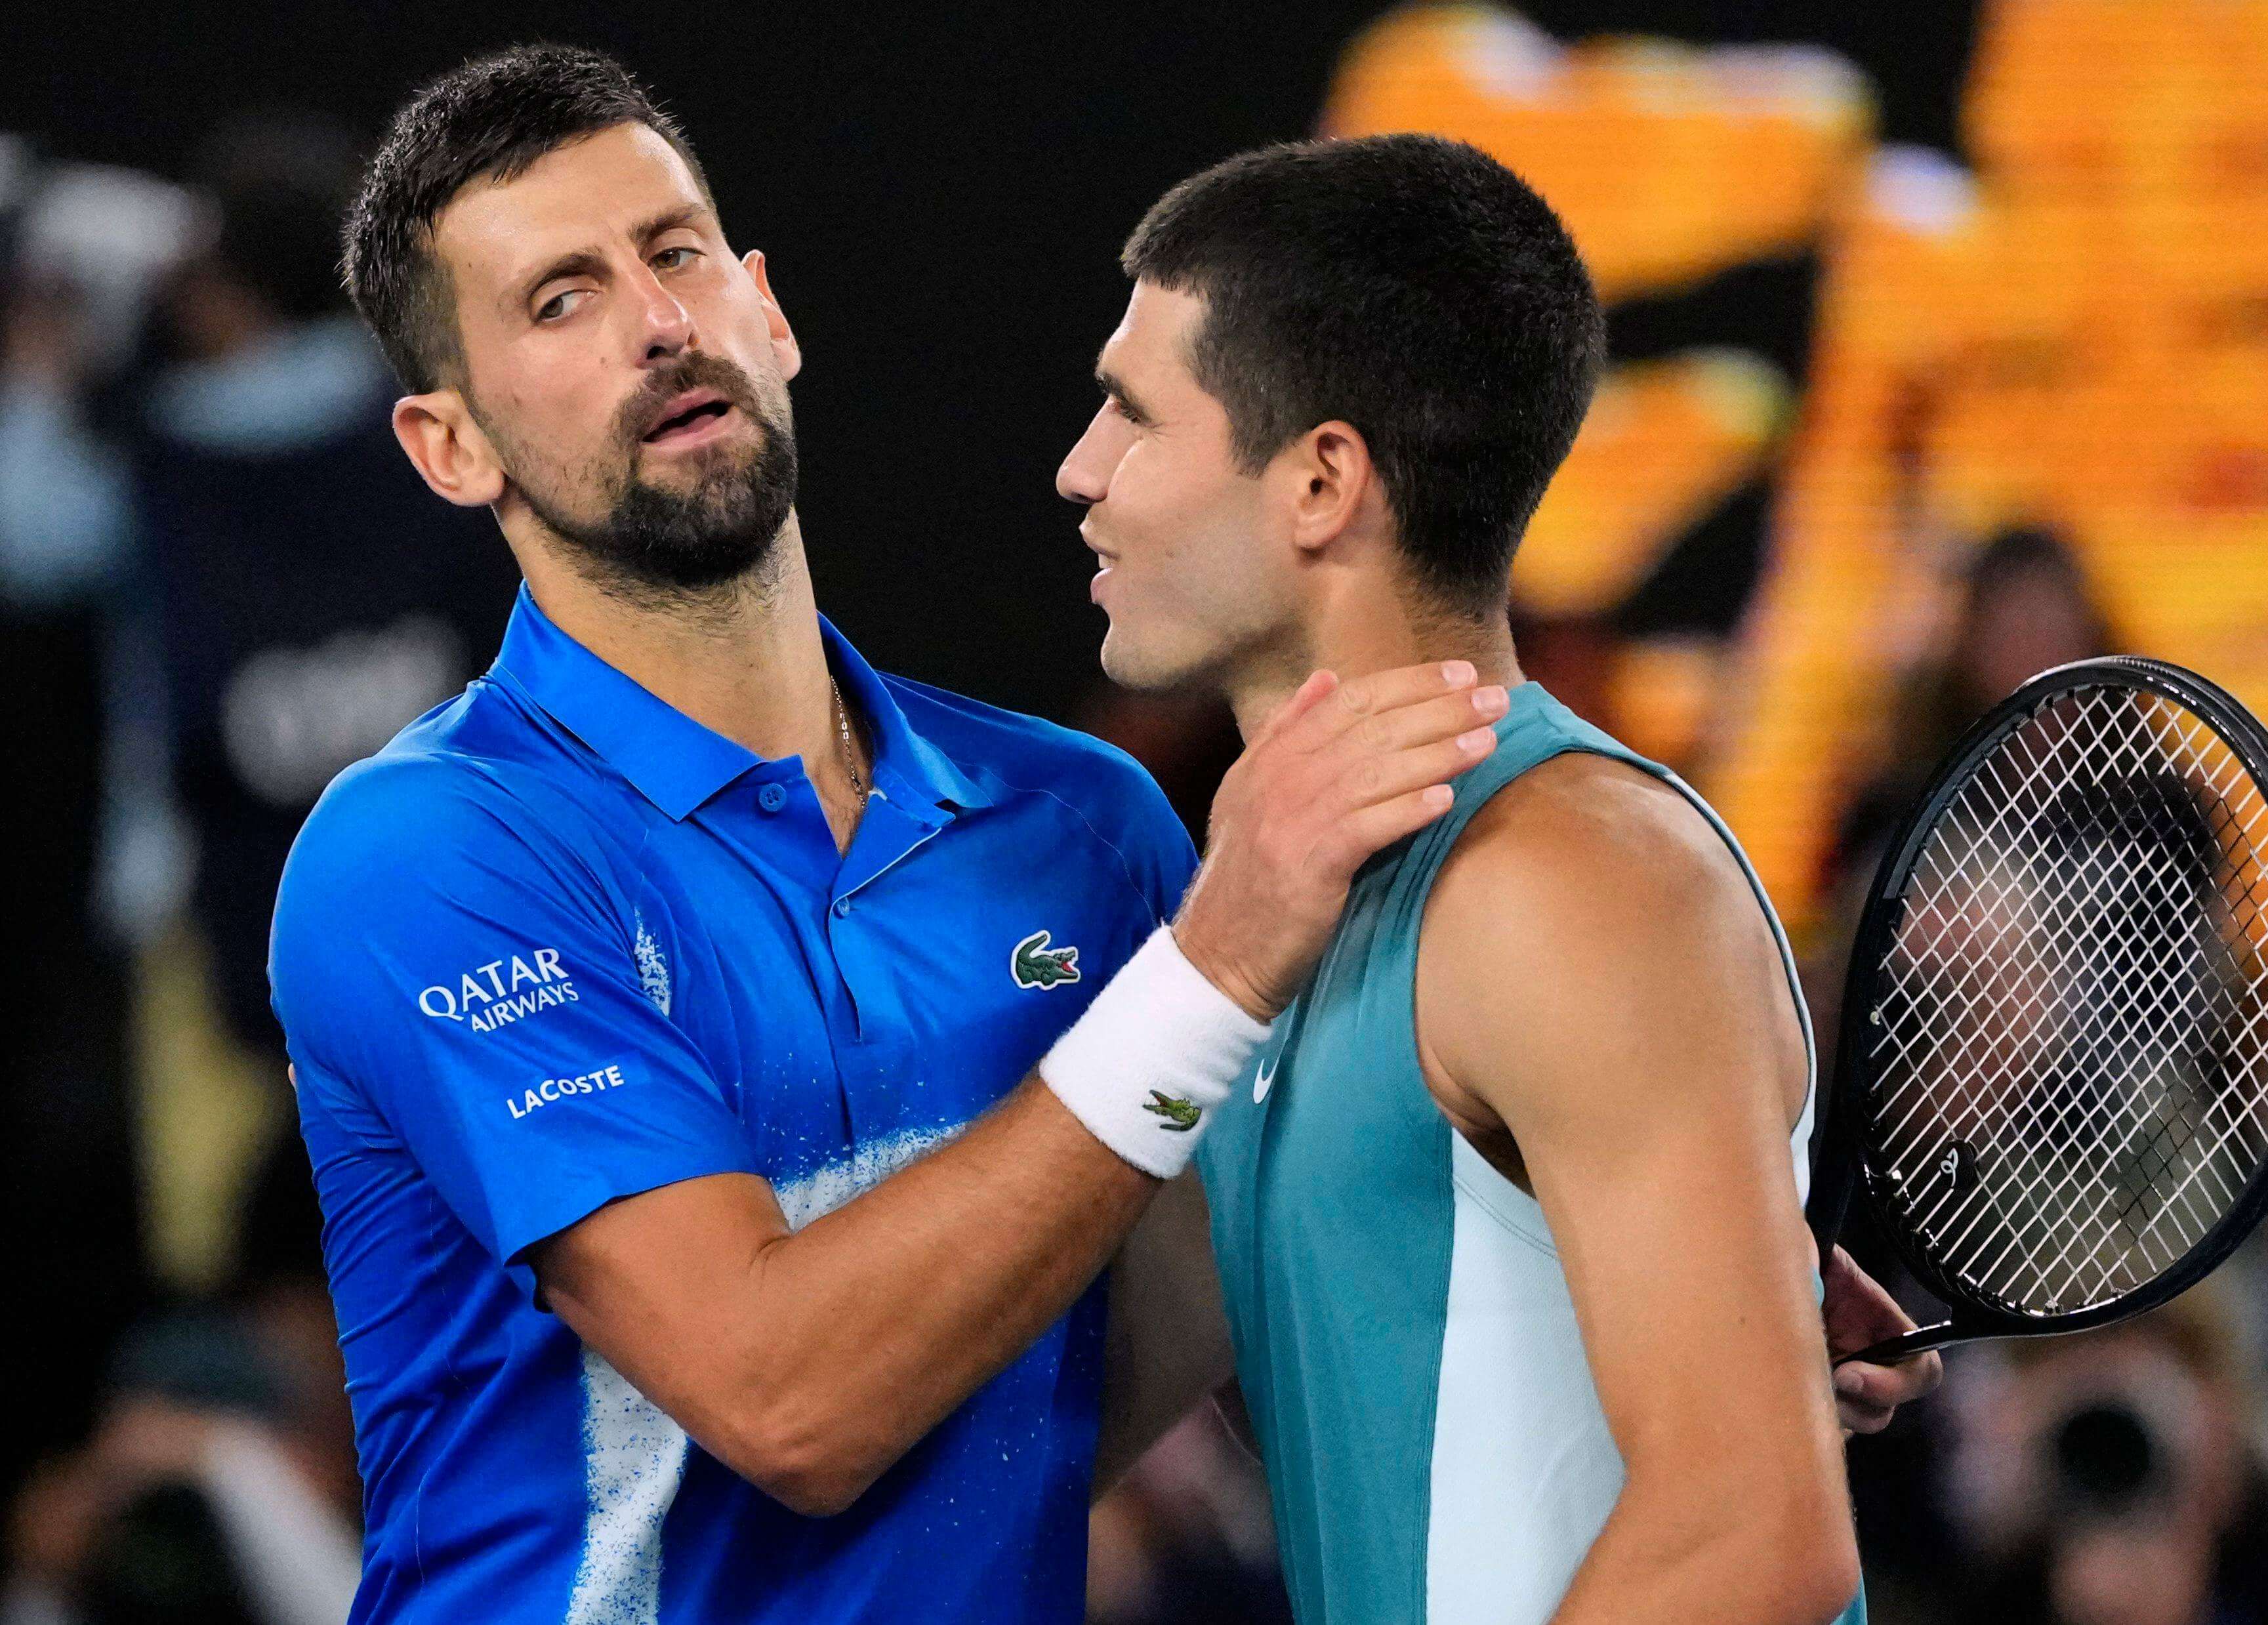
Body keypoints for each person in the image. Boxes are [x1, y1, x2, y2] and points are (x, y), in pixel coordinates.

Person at [270, 47, 1503, 1624]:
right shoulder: (430, 855)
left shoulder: (1085, 824)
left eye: (676, 253)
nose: (659, 322)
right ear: (451, 447)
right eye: (558, 302)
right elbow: (793, 1404)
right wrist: (1217, 964)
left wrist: (1641, 1310)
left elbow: (1156, 1357)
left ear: (766, 310)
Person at [1058, 134, 1941, 1624]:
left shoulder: (1570, 881)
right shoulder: (1284, 909)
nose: (1082, 471)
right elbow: (1062, 1432)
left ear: (1321, 482)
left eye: (1135, 415)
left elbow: (1756, 1542)